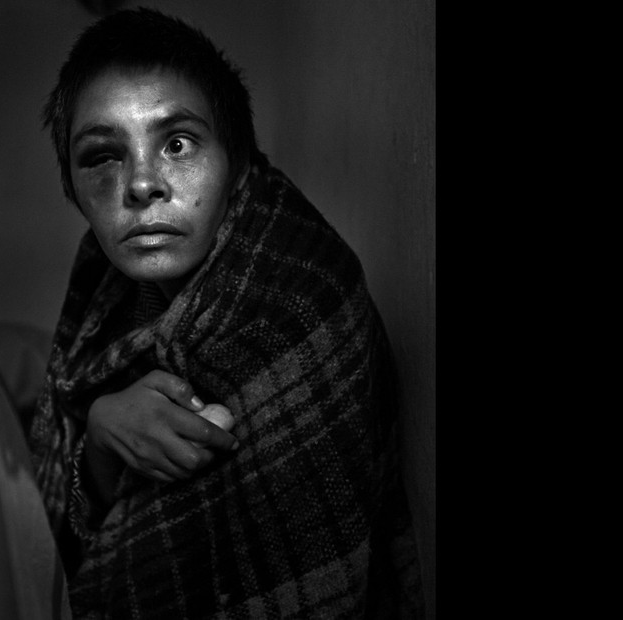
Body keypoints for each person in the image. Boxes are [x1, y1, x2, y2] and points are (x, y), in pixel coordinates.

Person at [28, 7, 424, 618]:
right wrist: (103, 434)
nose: (141, 185)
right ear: (72, 189)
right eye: (103, 156)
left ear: (237, 165)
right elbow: (62, 511)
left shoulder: (297, 304)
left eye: (177, 144)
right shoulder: (101, 283)